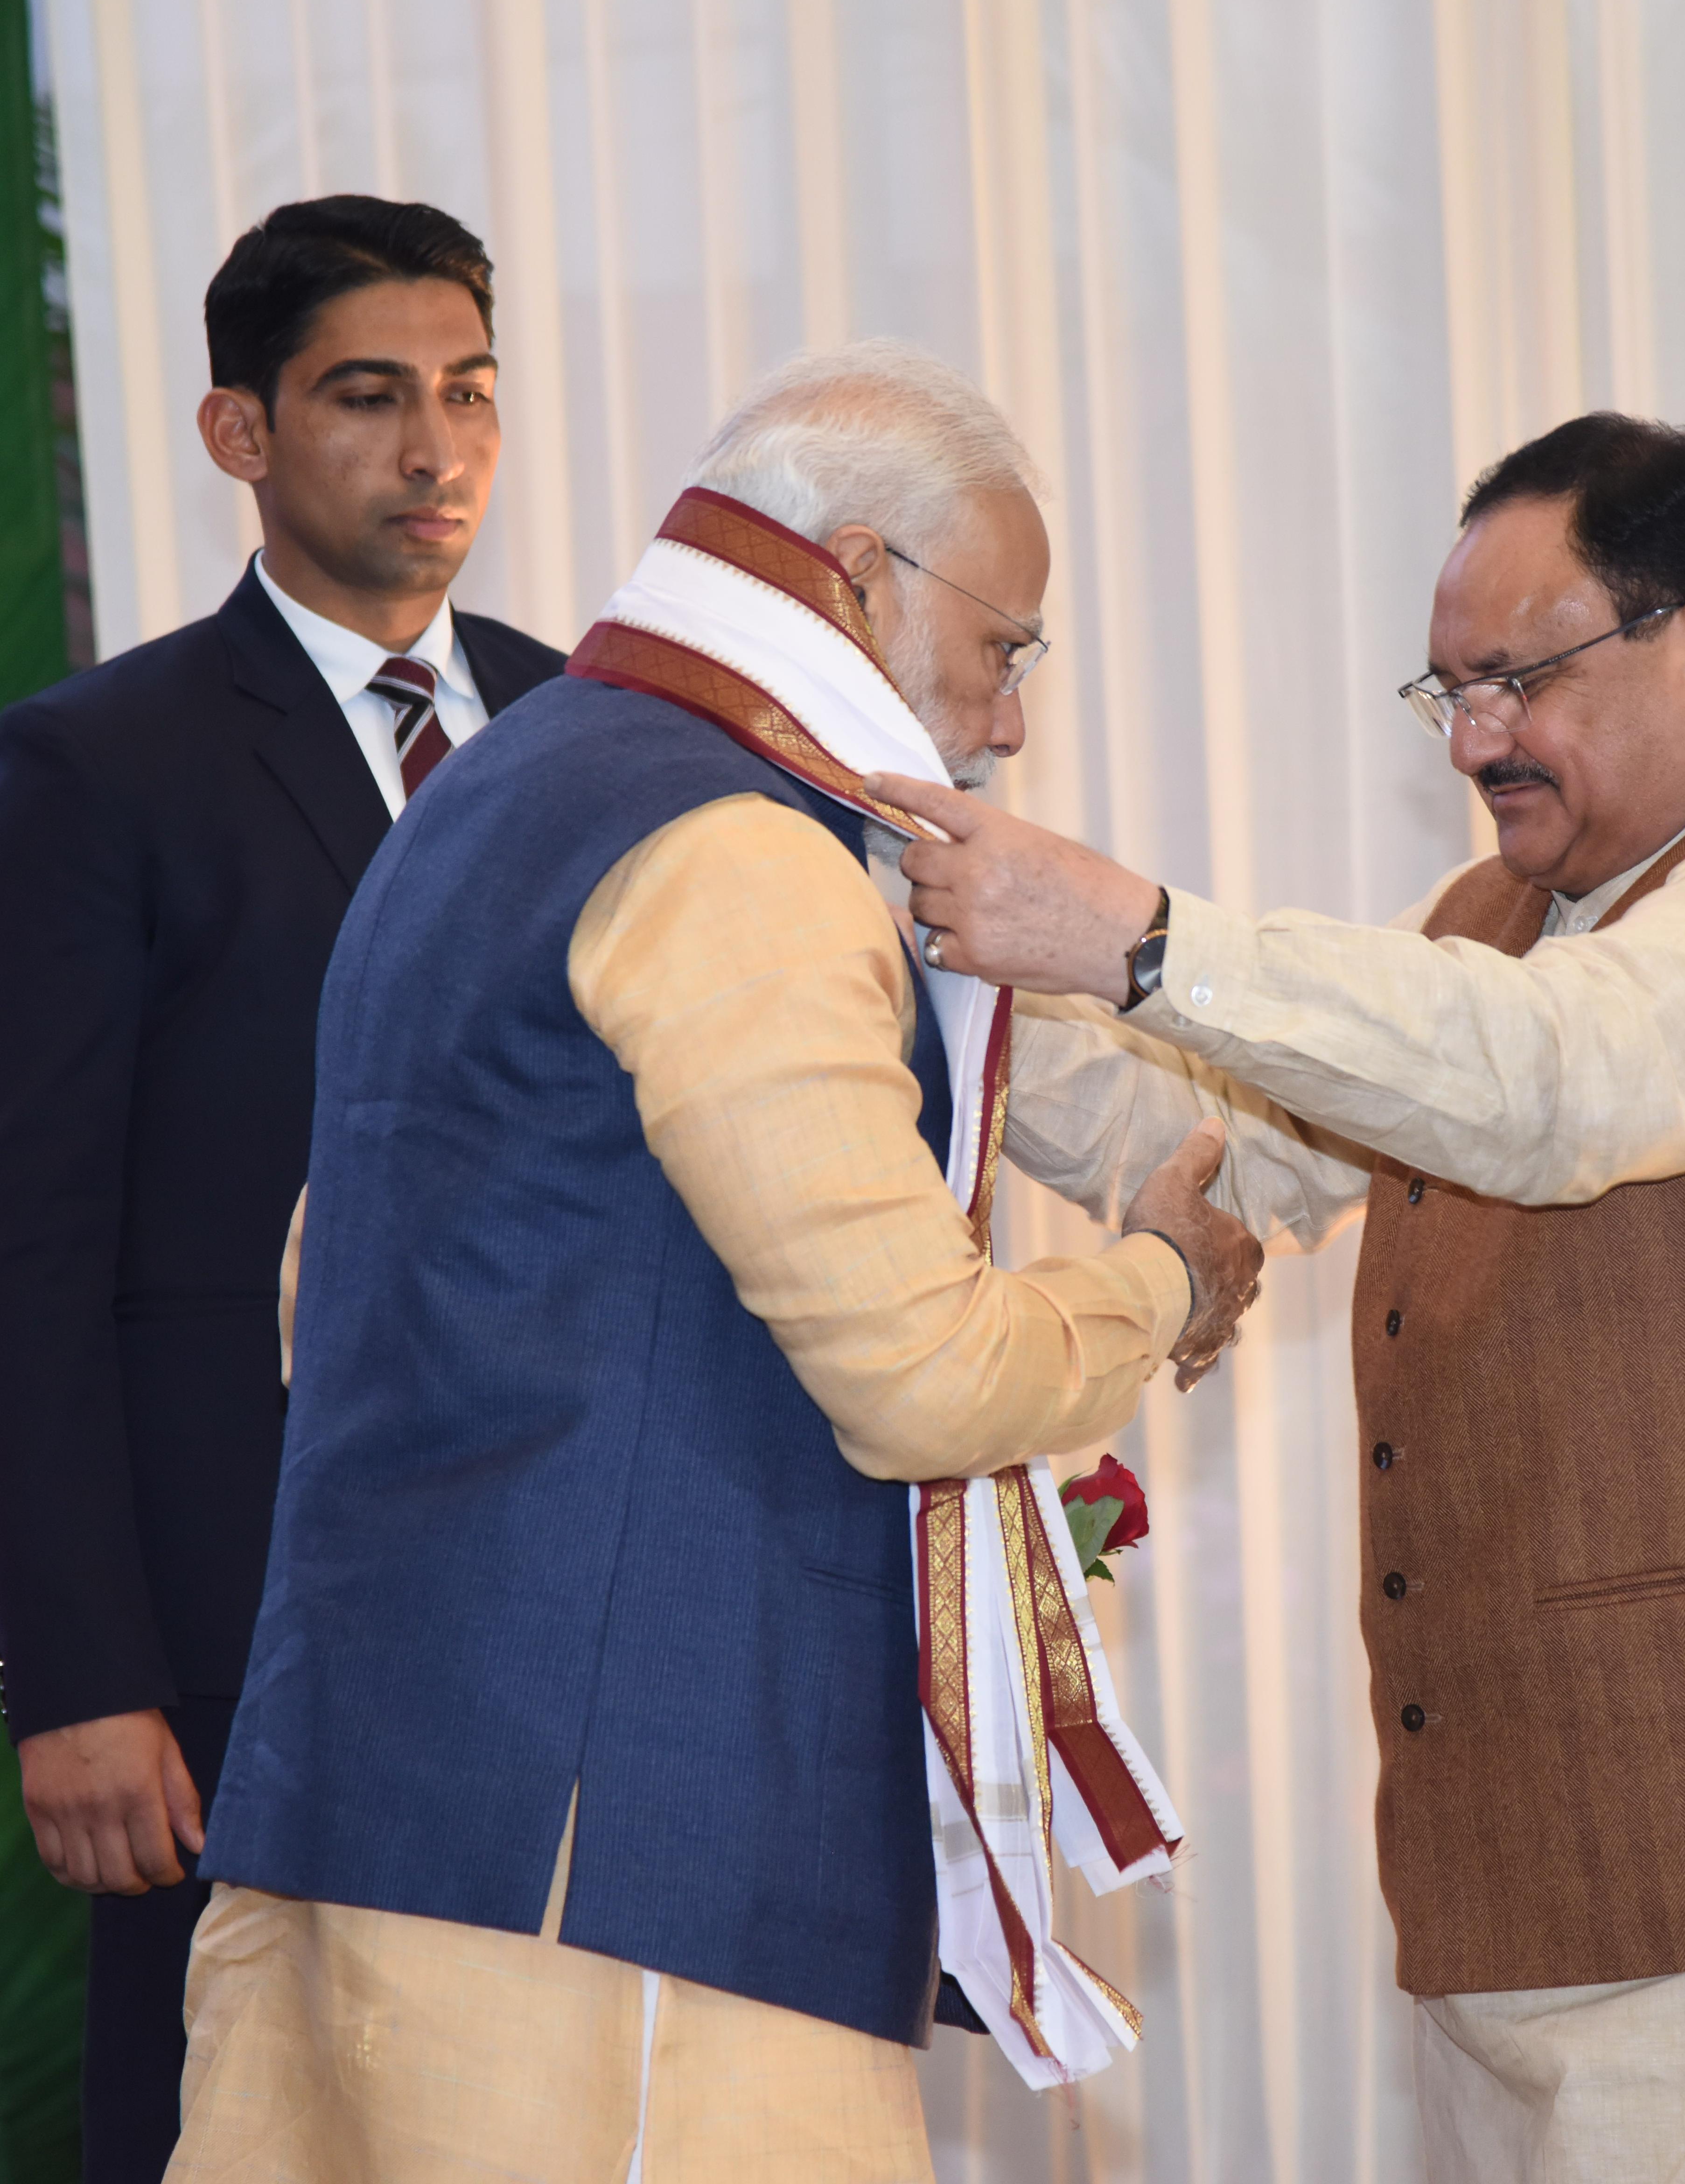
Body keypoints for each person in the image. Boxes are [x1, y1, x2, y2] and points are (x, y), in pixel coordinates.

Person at [871, 413, 1685, 2181]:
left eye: (1517, 680)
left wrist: (1141, 939)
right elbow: (1222, 1140)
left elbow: (1556, 1084)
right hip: (1528, 1923)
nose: (1475, 739)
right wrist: (895, 950)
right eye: (1447, 692)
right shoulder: (1495, 928)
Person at [169, 343, 1261, 2180]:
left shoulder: (494, 793)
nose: (1003, 725)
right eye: (1008, 648)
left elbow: (315, 1293)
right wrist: (1158, 1283)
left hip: (378, 1798)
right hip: (614, 1865)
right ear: (854, 577)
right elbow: (919, 1372)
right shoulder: (733, 851)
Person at [0, 196, 566, 2183]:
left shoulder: (594, 732)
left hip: (556, 1611)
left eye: (469, 394)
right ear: (240, 432)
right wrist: (76, 1677)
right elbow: (32, 1255)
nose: (437, 451)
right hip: (234, 1637)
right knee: (231, 2128)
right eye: (368, 397)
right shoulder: (94, 767)